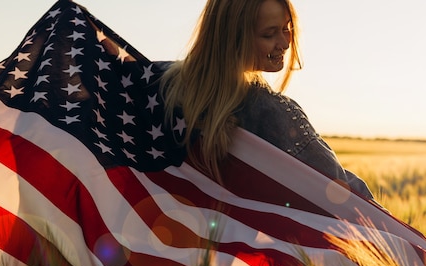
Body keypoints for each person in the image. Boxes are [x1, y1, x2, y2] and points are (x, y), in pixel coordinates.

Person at [159, 0, 376, 201]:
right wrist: (403, 236)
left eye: (286, 28)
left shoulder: (159, 84)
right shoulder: (272, 113)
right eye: (269, 34)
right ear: (233, 38)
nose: (284, 43)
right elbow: (344, 194)